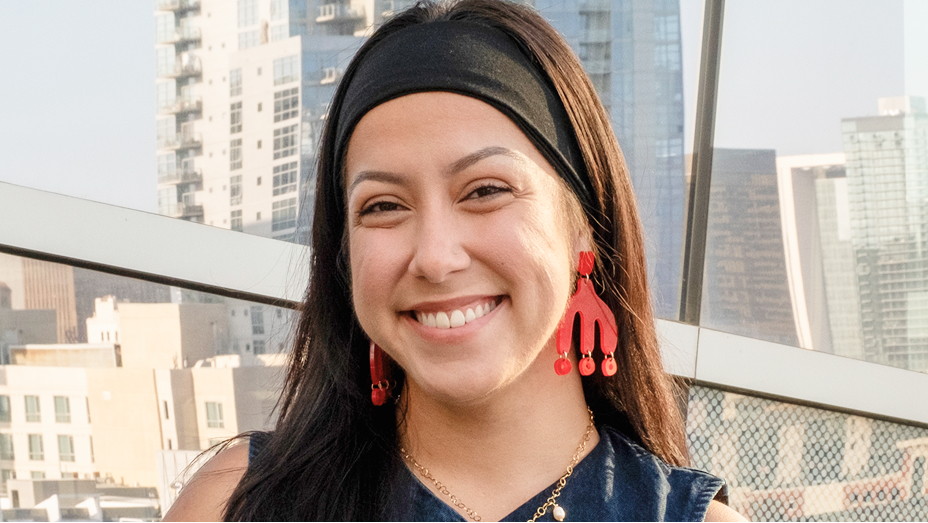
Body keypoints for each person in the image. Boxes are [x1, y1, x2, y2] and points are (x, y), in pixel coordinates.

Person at [164, 0, 746, 520]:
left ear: (584, 230)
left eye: (485, 191)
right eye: (384, 206)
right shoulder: (234, 502)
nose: (436, 258)